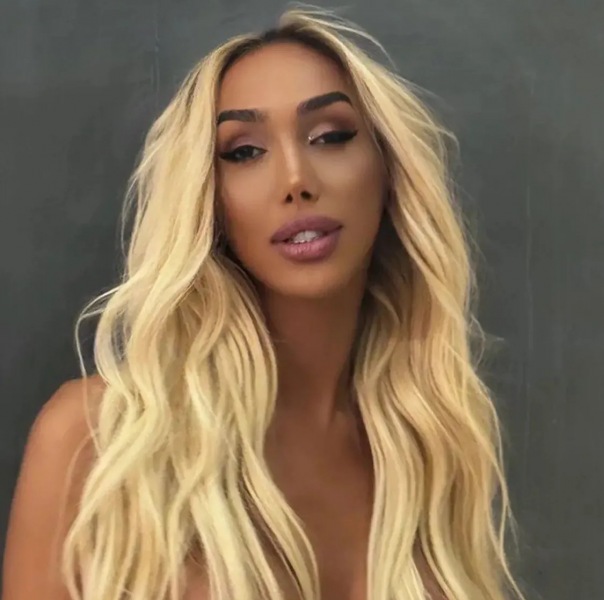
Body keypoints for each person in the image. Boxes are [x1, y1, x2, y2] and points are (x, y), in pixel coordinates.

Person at [2, 7, 526, 600]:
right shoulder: (97, 440)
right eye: (244, 151)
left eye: (330, 136)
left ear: (389, 174)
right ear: (211, 201)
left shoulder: (432, 448)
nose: (296, 179)